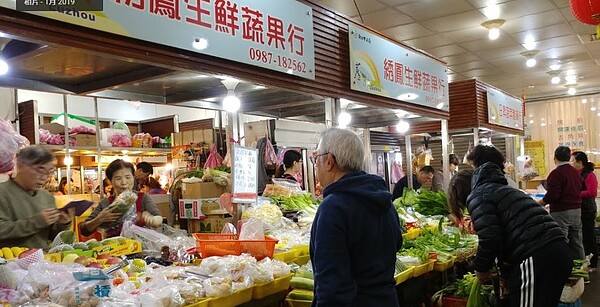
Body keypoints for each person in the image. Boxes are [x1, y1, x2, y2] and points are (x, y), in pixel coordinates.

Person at [448, 166, 572, 307]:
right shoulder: (499, 190)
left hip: (537, 256)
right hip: (556, 250)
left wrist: (481, 268)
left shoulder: (478, 195)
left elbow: (490, 238)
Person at [309, 128, 402, 306]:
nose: (316, 165)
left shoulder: (333, 208)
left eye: (316, 159)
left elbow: (332, 286)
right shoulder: (385, 200)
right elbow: (396, 243)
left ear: (329, 161)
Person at [0, 146, 74, 248]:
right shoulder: (3, 192)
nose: (44, 177)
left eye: (49, 172)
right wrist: (37, 221)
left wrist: (63, 223)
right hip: (9, 260)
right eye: (40, 169)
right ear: (20, 166)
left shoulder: (47, 197)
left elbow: (51, 236)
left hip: (41, 260)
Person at [81, 159, 161, 238]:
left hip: (142, 248)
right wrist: (100, 218)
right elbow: (84, 230)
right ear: (110, 181)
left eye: (128, 177)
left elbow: (158, 218)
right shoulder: (106, 203)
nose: (124, 182)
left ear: (133, 177)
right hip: (115, 249)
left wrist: (152, 219)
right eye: (118, 178)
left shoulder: (143, 198)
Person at [538, 146, 585, 260]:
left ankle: (563, 271)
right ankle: (582, 271)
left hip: (561, 212)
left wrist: (541, 203)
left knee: (561, 241)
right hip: (577, 210)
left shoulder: (556, 173)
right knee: (577, 241)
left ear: (555, 157)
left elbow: (553, 195)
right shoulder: (575, 172)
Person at [571, 151, 598, 270]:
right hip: (580, 209)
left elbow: (592, 192)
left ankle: (593, 262)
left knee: (588, 236)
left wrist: (576, 193)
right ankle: (585, 261)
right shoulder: (577, 174)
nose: (571, 163)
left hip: (588, 209)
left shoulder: (589, 175)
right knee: (582, 236)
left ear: (580, 162)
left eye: (573, 161)